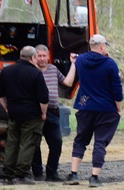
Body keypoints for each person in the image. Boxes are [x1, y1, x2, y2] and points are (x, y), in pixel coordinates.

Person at [66, 34, 122, 187]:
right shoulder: (110, 64)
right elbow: (117, 89)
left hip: (85, 106)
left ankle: (74, 174)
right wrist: (119, 108)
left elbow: (76, 68)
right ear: (102, 47)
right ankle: (94, 177)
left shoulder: (81, 60)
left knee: (81, 139)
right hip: (106, 108)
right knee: (100, 141)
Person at [0, 46, 48, 185]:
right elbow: (43, 98)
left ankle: (7, 175)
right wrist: (43, 113)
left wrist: (6, 107)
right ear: (33, 58)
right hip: (32, 114)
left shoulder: (6, 71)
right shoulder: (35, 73)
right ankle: (21, 175)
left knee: (12, 143)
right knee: (27, 143)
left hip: (14, 113)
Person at [31, 45, 76, 182]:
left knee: (56, 142)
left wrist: (74, 65)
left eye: (45, 56)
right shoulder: (31, 71)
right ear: (34, 57)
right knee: (34, 144)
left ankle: (52, 173)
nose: (42, 59)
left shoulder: (53, 69)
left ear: (49, 56)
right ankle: (37, 173)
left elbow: (68, 82)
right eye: (39, 56)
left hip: (53, 112)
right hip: (35, 112)